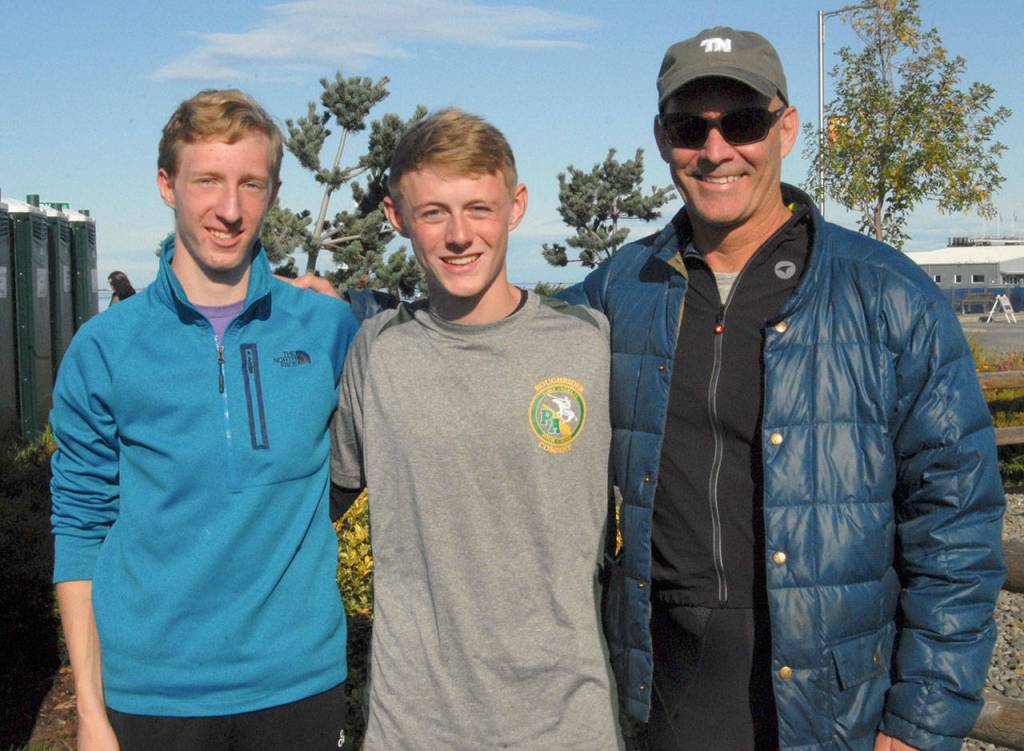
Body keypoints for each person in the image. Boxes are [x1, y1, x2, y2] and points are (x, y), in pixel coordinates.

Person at [558, 27, 1006, 751]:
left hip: (834, 710)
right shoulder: (623, 287)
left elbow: (956, 521)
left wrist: (920, 719)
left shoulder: (887, 295)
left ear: (785, 127)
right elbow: (503, 338)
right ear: (661, 138)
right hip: (669, 702)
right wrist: (334, 315)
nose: (715, 150)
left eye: (741, 123)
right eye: (688, 128)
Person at [50, 89, 359, 750]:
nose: (230, 208)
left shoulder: (329, 328)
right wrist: (89, 708)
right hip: (151, 693)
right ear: (167, 185)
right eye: (207, 181)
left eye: (251, 183)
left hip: (298, 683)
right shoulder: (105, 348)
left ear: (273, 192)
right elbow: (80, 527)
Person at [329, 108, 623, 750]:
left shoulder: (589, 346)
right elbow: (312, 504)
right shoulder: (377, 353)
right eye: (433, 212)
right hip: (415, 725)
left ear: (516, 206)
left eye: (479, 209)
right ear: (395, 216)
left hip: (566, 724)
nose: (459, 235)